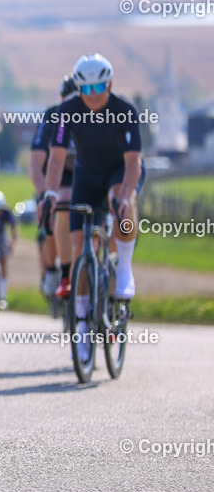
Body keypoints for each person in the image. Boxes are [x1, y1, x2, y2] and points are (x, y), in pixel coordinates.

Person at [41, 53, 144, 361]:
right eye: (85, 89)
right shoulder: (67, 110)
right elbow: (56, 158)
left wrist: (125, 195)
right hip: (86, 175)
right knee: (79, 248)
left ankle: (123, 269)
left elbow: (134, 163)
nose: (92, 95)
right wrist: (49, 193)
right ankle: (83, 323)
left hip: (119, 171)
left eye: (98, 87)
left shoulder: (124, 110)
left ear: (109, 84)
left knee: (120, 203)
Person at [30, 76, 77, 299]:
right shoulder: (52, 115)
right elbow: (35, 162)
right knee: (54, 217)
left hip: (86, 172)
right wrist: (43, 195)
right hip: (57, 175)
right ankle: (51, 270)